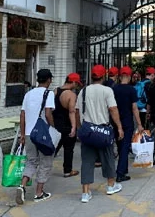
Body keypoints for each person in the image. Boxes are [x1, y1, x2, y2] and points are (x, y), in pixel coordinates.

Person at [76, 65, 124, 203]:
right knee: (108, 157)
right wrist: (119, 127)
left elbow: (77, 111)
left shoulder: (83, 91)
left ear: (91, 76)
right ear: (103, 76)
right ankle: (111, 185)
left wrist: (80, 128)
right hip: (103, 131)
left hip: (88, 131)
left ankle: (85, 192)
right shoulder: (107, 90)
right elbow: (113, 109)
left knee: (87, 161)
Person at [16, 69, 55, 205]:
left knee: (31, 161)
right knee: (46, 162)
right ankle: (39, 192)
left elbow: (22, 115)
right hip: (42, 134)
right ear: (49, 79)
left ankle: (22, 185)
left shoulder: (28, 94)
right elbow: (48, 113)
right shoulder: (49, 93)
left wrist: (22, 134)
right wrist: (53, 128)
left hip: (28, 133)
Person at [113, 66, 144, 182]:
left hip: (116, 122)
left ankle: (124, 169)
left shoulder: (114, 89)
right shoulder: (131, 90)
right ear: (130, 76)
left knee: (120, 146)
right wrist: (139, 124)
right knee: (125, 147)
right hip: (127, 122)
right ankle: (120, 173)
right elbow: (134, 108)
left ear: (120, 76)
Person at [53, 73, 80, 178]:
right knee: (68, 149)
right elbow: (72, 112)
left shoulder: (56, 91)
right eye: (76, 84)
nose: (76, 86)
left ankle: (42, 166)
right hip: (67, 125)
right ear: (73, 82)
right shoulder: (71, 95)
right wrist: (74, 127)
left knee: (54, 147)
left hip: (56, 125)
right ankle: (67, 171)